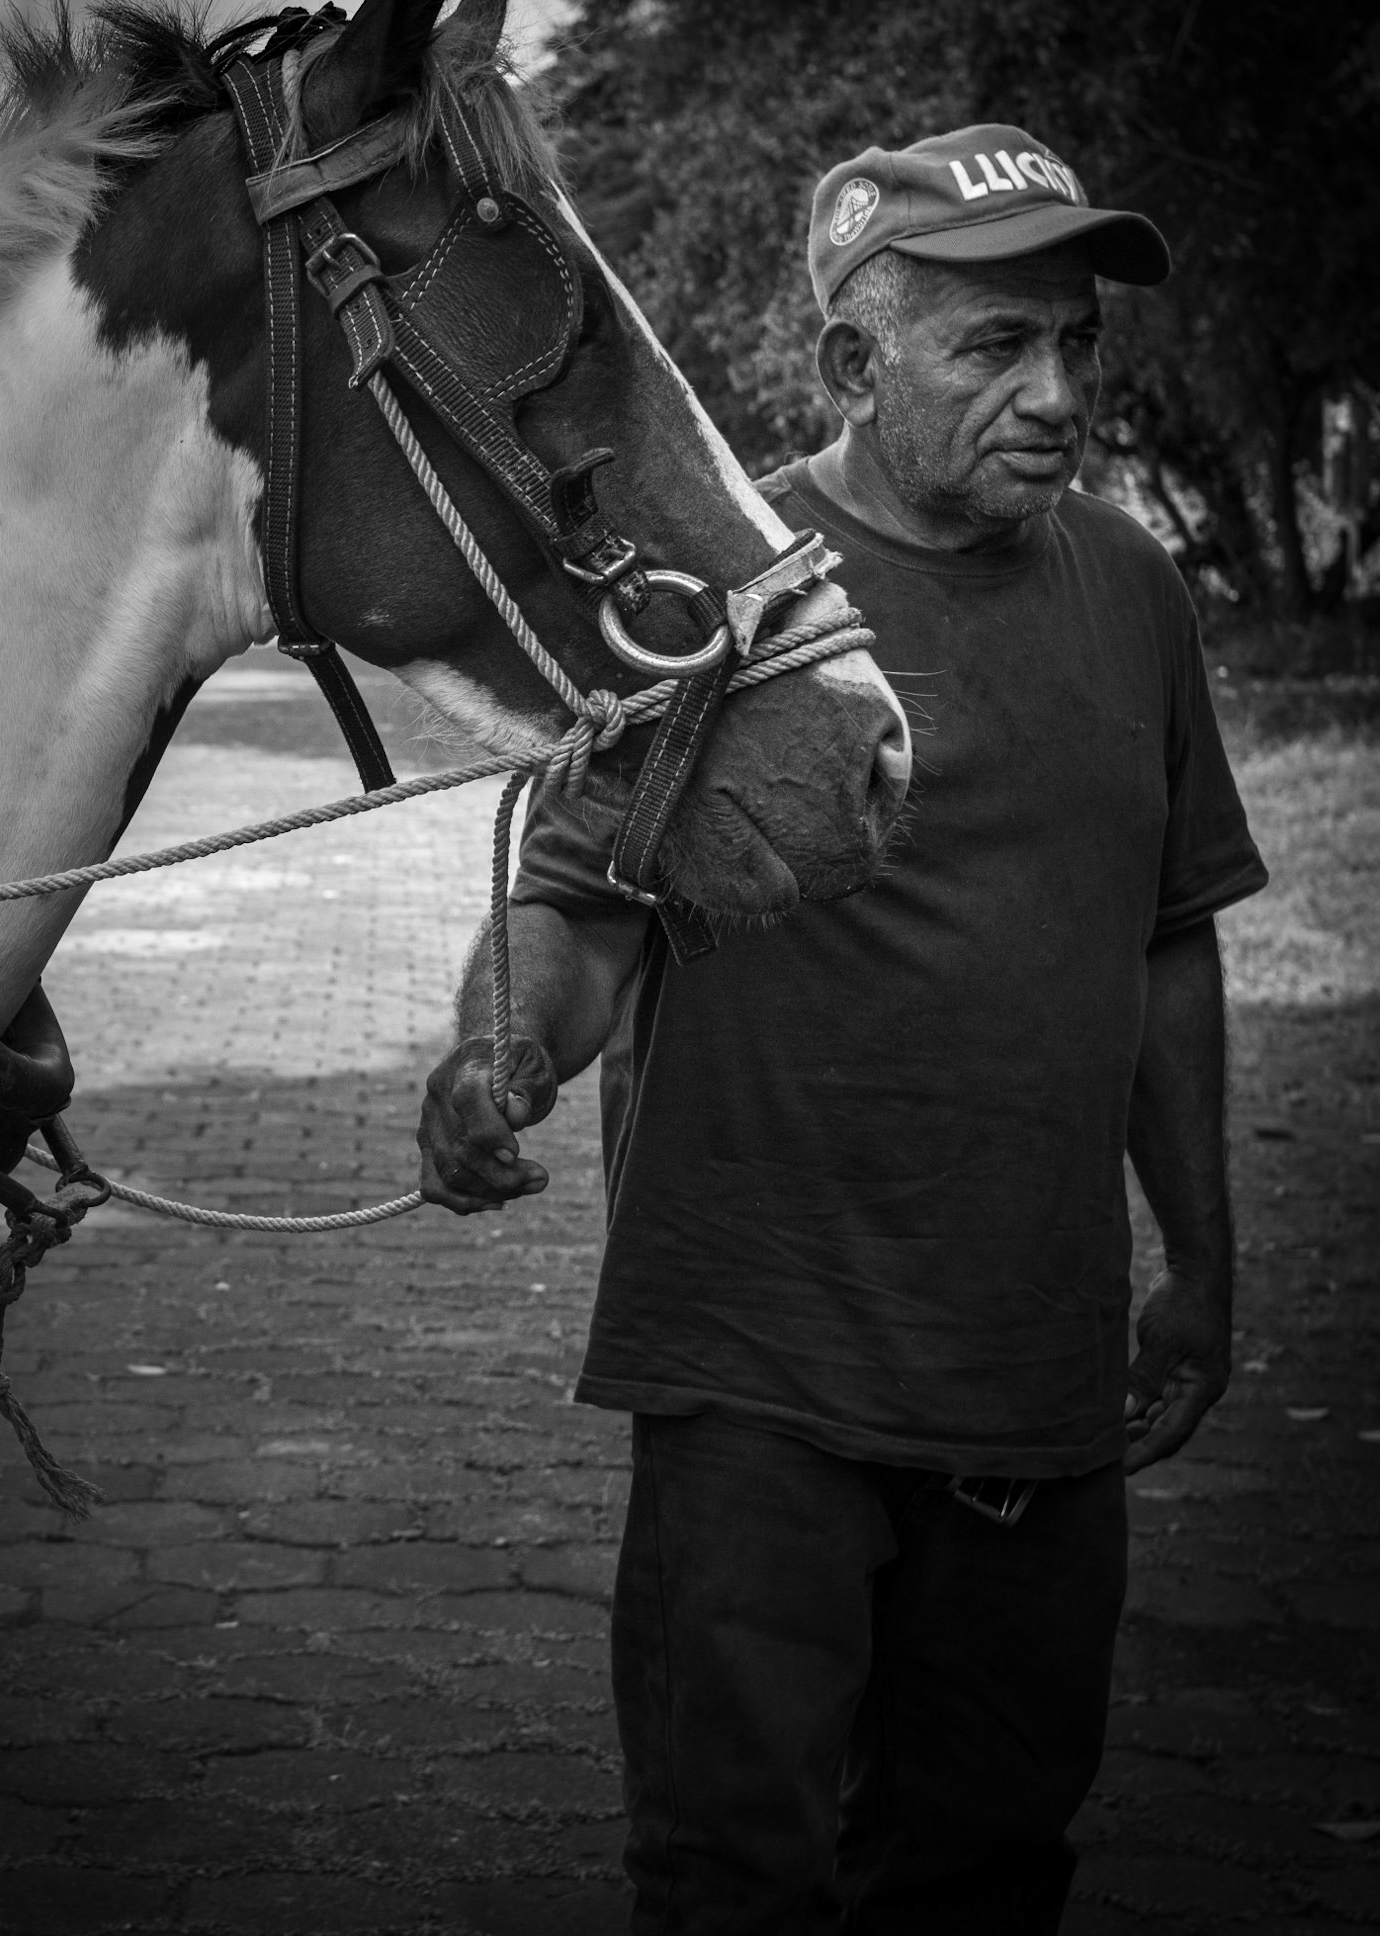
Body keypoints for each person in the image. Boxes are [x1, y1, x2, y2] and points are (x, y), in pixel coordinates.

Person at [416, 123, 1268, 1934]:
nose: (1053, 397)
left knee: (982, 1865)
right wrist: (505, 1049)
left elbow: (1168, 941)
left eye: (1075, 346)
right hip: (757, 1370)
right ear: (849, 365)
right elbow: (575, 906)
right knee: (736, 1873)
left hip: (1030, 1384)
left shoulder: (1131, 591)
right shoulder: (708, 599)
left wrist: (1196, 1256)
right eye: (991, 349)